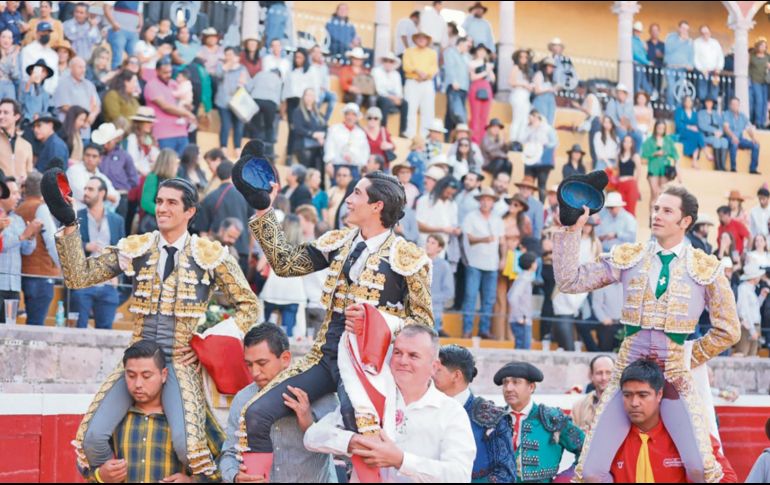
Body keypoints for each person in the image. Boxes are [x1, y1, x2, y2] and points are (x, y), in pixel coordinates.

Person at [54, 174, 259, 478]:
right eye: (159, 201)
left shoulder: (210, 255)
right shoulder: (137, 247)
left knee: (189, 448)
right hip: (136, 360)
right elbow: (78, 277)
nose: (162, 208)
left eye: (171, 202)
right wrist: (70, 227)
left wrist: (208, 341)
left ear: (190, 212)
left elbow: (249, 305)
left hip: (179, 359)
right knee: (92, 438)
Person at [237, 170, 434, 474]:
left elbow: (423, 325)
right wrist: (265, 209)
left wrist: (377, 319)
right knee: (256, 413)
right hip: (325, 356)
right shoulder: (340, 242)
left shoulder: (406, 256)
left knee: (366, 433)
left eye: (356, 193)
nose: (349, 200)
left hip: (363, 367)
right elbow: (286, 263)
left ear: (377, 206)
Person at [554, 185, 741, 482]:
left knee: (700, 468)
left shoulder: (706, 267)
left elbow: (729, 330)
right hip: (628, 372)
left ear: (685, 221)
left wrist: (687, 356)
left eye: (667, 211)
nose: (657, 215)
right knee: (589, 470)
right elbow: (570, 281)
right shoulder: (630, 256)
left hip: (674, 377)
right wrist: (570, 231)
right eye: (655, 209)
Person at [304, 325, 475, 482]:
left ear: (434, 366)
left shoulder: (451, 412)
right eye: (398, 353)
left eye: (413, 355)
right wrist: (353, 441)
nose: (403, 361)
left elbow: (459, 475)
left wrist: (401, 460)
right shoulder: (369, 399)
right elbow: (312, 437)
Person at [220, 324, 338, 483]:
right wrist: (236, 477)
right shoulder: (243, 399)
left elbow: (347, 449)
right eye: (249, 364)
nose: (254, 372)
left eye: (262, 363)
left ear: (285, 359)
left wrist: (310, 427)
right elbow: (229, 454)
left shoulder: (316, 394)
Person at [609, 360, 737, 483]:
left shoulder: (689, 434)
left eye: (643, 395)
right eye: (627, 395)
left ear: (659, 395)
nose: (634, 403)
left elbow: (728, 479)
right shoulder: (610, 438)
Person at [433, 345, 515, 482]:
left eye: (438, 370)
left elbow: (506, 474)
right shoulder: (427, 407)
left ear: (456, 375)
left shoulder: (493, 418)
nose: (431, 374)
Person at [494, 361, 585, 482]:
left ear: (531, 387)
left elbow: (586, 451)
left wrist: (565, 479)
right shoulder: (494, 419)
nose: (508, 388)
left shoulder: (552, 418)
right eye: (505, 383)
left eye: (516, 382)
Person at [69, 177, 125, 329]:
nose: (85, 192)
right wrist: (87, 246)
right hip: (83, 283)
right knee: (77, 331)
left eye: (90, 189)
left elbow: (124, 251)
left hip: (108, 285)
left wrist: (117, 277)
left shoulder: (117, 220)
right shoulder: (75, 217)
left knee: (105, 333)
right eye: (85, 188)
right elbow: (65, 245)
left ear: (102, 193)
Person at [461, 187, 504, 339]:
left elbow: (502, 242)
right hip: (474, 262)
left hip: (492, 264)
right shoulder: (471, 217)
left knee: (489, 299)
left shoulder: (497, 219)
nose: (486, 202)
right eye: (483, 199)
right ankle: (467, 330)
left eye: (489, 200)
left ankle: (484, 330)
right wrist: (484, 239)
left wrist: (503, 258)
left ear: (493, 203)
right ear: (479, 201)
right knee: (470, 297)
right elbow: (469, 238)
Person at [16, 171, 58, 326]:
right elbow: (52, 241)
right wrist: (66, 269)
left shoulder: (18, 209)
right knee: (36, 326)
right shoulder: (41, 208)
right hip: (41, 275)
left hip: (24, 272)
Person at [196, 161, 253, 274]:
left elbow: (202, 232)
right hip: (242, 250)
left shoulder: (210, 198)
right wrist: (249, 251)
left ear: (217, 175)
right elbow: (253, 227)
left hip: (217, 253)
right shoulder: (246, 195)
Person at [0, 177, 41, 324]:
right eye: (14, 193)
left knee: (10, 331)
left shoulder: (17, 219)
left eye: (19, 193)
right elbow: (2, 245)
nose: (19, 197)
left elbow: (27, 251)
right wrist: (23, 235)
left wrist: (31, 236)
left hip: (14, 285)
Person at [143, 58, 195, 156]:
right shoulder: (152, 85)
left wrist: (188, 106)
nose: (168, 75)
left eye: (170, 72)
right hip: (164, 134)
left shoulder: (173, 83)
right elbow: (165, 107)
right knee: (166, 167)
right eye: (165, 72)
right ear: (157, 71)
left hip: (181, 132)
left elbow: (183, 97)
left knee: (182, 167)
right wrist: (187, 113)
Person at [53, 56, 100, 138]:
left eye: (84, 67)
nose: (83, 70)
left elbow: (96, 105)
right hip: (69, 132)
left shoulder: (89, 85)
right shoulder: (63, 84)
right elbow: (64, 106)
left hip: (85, 132)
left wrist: (92, 115)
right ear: (71, 68)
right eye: (80, 67)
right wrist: (83, 118)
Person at [403, 31, 438, 138]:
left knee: (427, 110)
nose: (421, 40)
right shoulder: (409, 51)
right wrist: (417, 71)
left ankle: (425, 136)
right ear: (416, 39)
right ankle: (410, 134)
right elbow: (406, 66)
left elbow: (434, 68)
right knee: (410, 109)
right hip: (412, 82)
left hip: (426, 83)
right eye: (419, 37)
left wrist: (425, 74)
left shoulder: (432, 53)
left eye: (424, 38)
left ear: (427, 40)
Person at [214, 46, 248, 155]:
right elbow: (217, 77)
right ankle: (223, 147)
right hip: (223, 101)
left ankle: (237, 148)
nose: (228, 57)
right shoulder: (221, 67)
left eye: (230, 55)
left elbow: (247, 85)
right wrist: (226, 67)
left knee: (238, 126)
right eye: (226, 54)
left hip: (237, 102)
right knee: (226, 125)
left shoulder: (242, 69)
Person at [67, 143, 120, 211]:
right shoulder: (74, 170)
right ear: (83, 156)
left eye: (94, 156)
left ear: (100, 159)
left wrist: (98, 195)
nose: (90, 159)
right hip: (76, 214)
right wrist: (105, 196)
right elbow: (82, 194)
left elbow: (115, 198)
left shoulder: (101, 176)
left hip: (96, 216)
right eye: (87, 155)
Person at [323, 103, 369, 180]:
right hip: (337, 166)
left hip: (355, 168)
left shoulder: (361, 133)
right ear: (344, 116)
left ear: (357, 117)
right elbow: (329, 146)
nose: (350, 117)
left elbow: (365, 151)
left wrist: (363, 166)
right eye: (348, 114)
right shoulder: (334, 129)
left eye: (353, 114)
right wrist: (329, 163)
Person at [641, 120, 679, 211]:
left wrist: (677, 168)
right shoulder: (649, 140)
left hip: (664, 168)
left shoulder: (668, 140)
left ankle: (658, 215)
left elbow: (675, 154)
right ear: (655, 128)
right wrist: (654, 154)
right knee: (654, 193)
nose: (660, 130)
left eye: (662, 128)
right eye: (659, 128)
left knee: (662, 194)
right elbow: (643, 155)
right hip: (653, 168)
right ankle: (652, 217)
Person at [139, 148, 178, 233]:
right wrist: (165, 213)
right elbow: (146, 203)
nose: (177, 166)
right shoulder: (153, 178)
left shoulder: (176, 180)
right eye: (175, 163)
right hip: (153, 225)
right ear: (168, 164)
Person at [572, 356, 615, 433]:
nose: (604, 378)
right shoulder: (578, 407)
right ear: (591, 376)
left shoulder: (625, 404)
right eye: (599, 373)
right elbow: (570, 437)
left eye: (608, 372)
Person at [416, 175, 460, 247]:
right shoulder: (425, 200)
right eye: (447, 193)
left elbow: (453, 224)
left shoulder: (453, 204)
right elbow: (419, 226)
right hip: (425, 245)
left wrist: (456, 230)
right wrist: (442, 229)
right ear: (441, 188)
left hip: (442, 246)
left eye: (452, 194)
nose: (449, 196)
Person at [735, 265, 768, 357]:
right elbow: (743, 311)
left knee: (752, 354)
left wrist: (761, 297)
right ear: (754, 277)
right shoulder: (743, 289)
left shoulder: (749, 289)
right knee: (742, 353)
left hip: (753, 326)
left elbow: (753, 308)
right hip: (747, 327)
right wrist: (752, 330)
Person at [291, 88, 327, 173]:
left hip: (318, 147)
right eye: (307, 95)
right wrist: (313, 134)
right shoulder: (298, 111)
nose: (309, 97)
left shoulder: (318, 113)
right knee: (307, 172)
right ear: (303, 97)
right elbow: (298, 128)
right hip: (304, 146)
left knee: (318, 172)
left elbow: (325, 127)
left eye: (312, 95)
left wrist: (322, 136)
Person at [372, 52, 408, 136]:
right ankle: (383, 129)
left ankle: (402, 131)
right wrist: (392, 97)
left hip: (393, 98)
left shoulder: (396, 74)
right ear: (383, 62)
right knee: (385, 102)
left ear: (393, 63)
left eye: (391, 61)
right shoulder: (376, 71)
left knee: (405, 103)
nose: (388, 63)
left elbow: (399, 91)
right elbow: (378, 90)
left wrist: (398, 98)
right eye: (386, 61)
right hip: (379, 97)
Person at [21, 20, 60, 96]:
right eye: (43, 32)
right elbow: (24, 74)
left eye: (48, 32)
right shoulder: (27, 50)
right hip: (32, 93)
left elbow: (55, 77)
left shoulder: (53, 54)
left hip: (50, 94)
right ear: (37, 33)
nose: (46, 34)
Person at [724, 96, 761, 174]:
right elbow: (726, 128)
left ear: (739, 105)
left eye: (736, 104)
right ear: (730, 105)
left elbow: (748, 129)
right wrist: (733, 137)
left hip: (740, 139)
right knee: (734, 144)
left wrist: (753, 138)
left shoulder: (743, 116)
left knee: (756, 145)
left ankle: (753, 169)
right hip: (729, 138)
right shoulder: (727, 114)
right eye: (733, 104)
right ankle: (733, 168)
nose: (735, 106)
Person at [508, 252, 537, 350]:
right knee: (523, 351)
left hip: (522, 320)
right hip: (521, 321)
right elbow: (512, 297)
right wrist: (519, 317)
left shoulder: (524, 278)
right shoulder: (523, 279)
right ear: (531, 264)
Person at [102, 1, 143, 70]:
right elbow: (106, 7)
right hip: (119, 30)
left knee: (134, 59)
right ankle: (116, 78)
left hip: (133, 32)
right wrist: (114, 23)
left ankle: (131, 78)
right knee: (117, 58)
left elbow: (140, 13)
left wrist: (140, 26)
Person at [427, 234, 453, 337]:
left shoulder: (444, 266)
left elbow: (449, 292)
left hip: (435, 313)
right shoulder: (419, 263)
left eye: (433, 243)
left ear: (440, 248)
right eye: (428, 241)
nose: (428, 245)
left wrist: (429, 298)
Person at [468, 44, 495, 145]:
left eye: (484, 51)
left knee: (484, 116)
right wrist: (485, 72)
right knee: (475, 116)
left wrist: (490, 70)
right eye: (480, 51)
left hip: (486, 88)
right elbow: (473, 77)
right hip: (476, 87)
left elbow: (492, 79)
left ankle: (483, 140)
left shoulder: (487, 64)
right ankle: (474, 140)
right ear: (476, 52)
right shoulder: (472, 63)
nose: (482, 53)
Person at [0, 99, 33, 181]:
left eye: (6, 112)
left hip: (20, 193)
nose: (1, 116)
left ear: (16, 116)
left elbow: (29, 173)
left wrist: (26, 178)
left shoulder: (26, 145)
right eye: (0, 112)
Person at [443, 37, 470, 136]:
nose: (468, 48)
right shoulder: (451, 52)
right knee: (457, 114)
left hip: (464, 88)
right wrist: (454, 81)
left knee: (451, 115)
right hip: (454, 87)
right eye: (467, 45)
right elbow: (449, 67)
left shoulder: (467, 56)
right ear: (461, 43)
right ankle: (453, 136)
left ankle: (450, 137)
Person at [605, 84, 643, 155]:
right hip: (616, 128)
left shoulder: (629, 105)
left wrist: (633, 127)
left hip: (628, 127)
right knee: (622, 133)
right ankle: (623, 154)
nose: (620, 95)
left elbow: (632, 118)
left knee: (638, 134)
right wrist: (619, 125)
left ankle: (636, 155)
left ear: (626, 95)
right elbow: (611, 117)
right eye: (618, 93)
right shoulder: (612, 103)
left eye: (622, 93)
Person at [664, 21, 694, 109]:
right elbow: (668, 50)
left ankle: (678, 108)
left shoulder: (690, 42)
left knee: (680, 89)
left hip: (682, 69)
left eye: (687, 29)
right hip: (670, 67)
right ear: (679, 28)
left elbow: (691, 55)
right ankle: (670, 107)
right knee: (671, 87)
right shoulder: (671, 37)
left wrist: (691, 65)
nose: (685, 31)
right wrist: (681, 40)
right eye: (683, 28)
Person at [509, 49, 533, 148]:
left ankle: (520, 141)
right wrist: (524, 84)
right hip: (518, 94)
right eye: (521, 57)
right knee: (517, 118)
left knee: (524, 120)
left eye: (526, 57)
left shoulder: (526, 70)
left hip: (525, 95)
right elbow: (511, 82)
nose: (523, 59)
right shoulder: (515, 67)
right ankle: (513, 140)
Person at [125, 106, 159, 177]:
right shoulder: (132, 138)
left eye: (151, 122)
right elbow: (133, 162)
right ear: (139, 123)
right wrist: (147, 172)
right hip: (136, 176)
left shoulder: (148, 138)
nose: (151, 124)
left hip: (148, 173)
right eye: (148, 122)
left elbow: (156, 156)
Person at [697, 96, 729, 171]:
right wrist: (714, 131)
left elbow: (721, 124)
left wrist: (720, 132)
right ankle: (717, 166)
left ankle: (722, 165)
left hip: (717, 135)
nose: (709, 104)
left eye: (710, 102)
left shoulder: (716, 114)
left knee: (725, 141)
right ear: (705, 103)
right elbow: (702, 125)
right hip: (706, 135)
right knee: (716, 141)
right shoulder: (701, 113)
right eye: (707, 102)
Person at [307, 45, 336, 124]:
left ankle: (325, 121)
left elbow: (326, 81)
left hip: (322, 90)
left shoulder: (324, 67)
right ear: (311, 53)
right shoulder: (308, 66)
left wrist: (324, 88)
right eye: (315, 52)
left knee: (333, 96)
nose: (317, 54)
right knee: (321, 95)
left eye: (319, 52)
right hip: (312, 91)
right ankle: (313, 116)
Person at [674, 95, 705, 167]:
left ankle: (694, 161)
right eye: (686, 101)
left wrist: (694, 128)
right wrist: (689, 127)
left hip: (692, 134)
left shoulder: (694, 113)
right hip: (682, 132)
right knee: (697, 136)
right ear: (684, 102)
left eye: (690, 101)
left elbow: (696, 125)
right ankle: (705, 151)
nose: (688, 102)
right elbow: (678, 124)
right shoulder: (679, 111)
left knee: (696, 135)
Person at [514, 175, 544, 241]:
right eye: (523, 187)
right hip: (513, 237)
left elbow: (538, 227)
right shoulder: (514, 201)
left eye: (528, 188)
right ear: (519, 188)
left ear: (532, 191)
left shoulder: (537, 205)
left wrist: (535, 243)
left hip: (528, 239)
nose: (525, 190)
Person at [749, 38, 770, 128]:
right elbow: (748, 67)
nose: (763, 48)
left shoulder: (768, 56)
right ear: (757, 46)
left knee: (764, 102)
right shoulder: (752, 56)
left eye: (765, 46)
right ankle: (757, 122)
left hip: (765, 81)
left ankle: (762, 122)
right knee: (759, 101)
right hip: (755, 80)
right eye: (761, 45)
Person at [532, 57, 558, 126]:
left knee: (548, 124)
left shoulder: (549, 78)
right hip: (541, 103)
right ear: (544, 66)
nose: (551, 69)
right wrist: (549, 89)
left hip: (550, 104)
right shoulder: (539, 74)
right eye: (550, 66)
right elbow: (536, 91)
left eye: (553, 67)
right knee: (541, 123)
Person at [0, 29, 21, 101]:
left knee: (10, 106)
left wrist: (14, 59)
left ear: (12, 41)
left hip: (9, 85)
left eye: (9, 38)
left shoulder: (15, 54)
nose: (6, 40)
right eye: (3, 37)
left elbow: (16, 75)